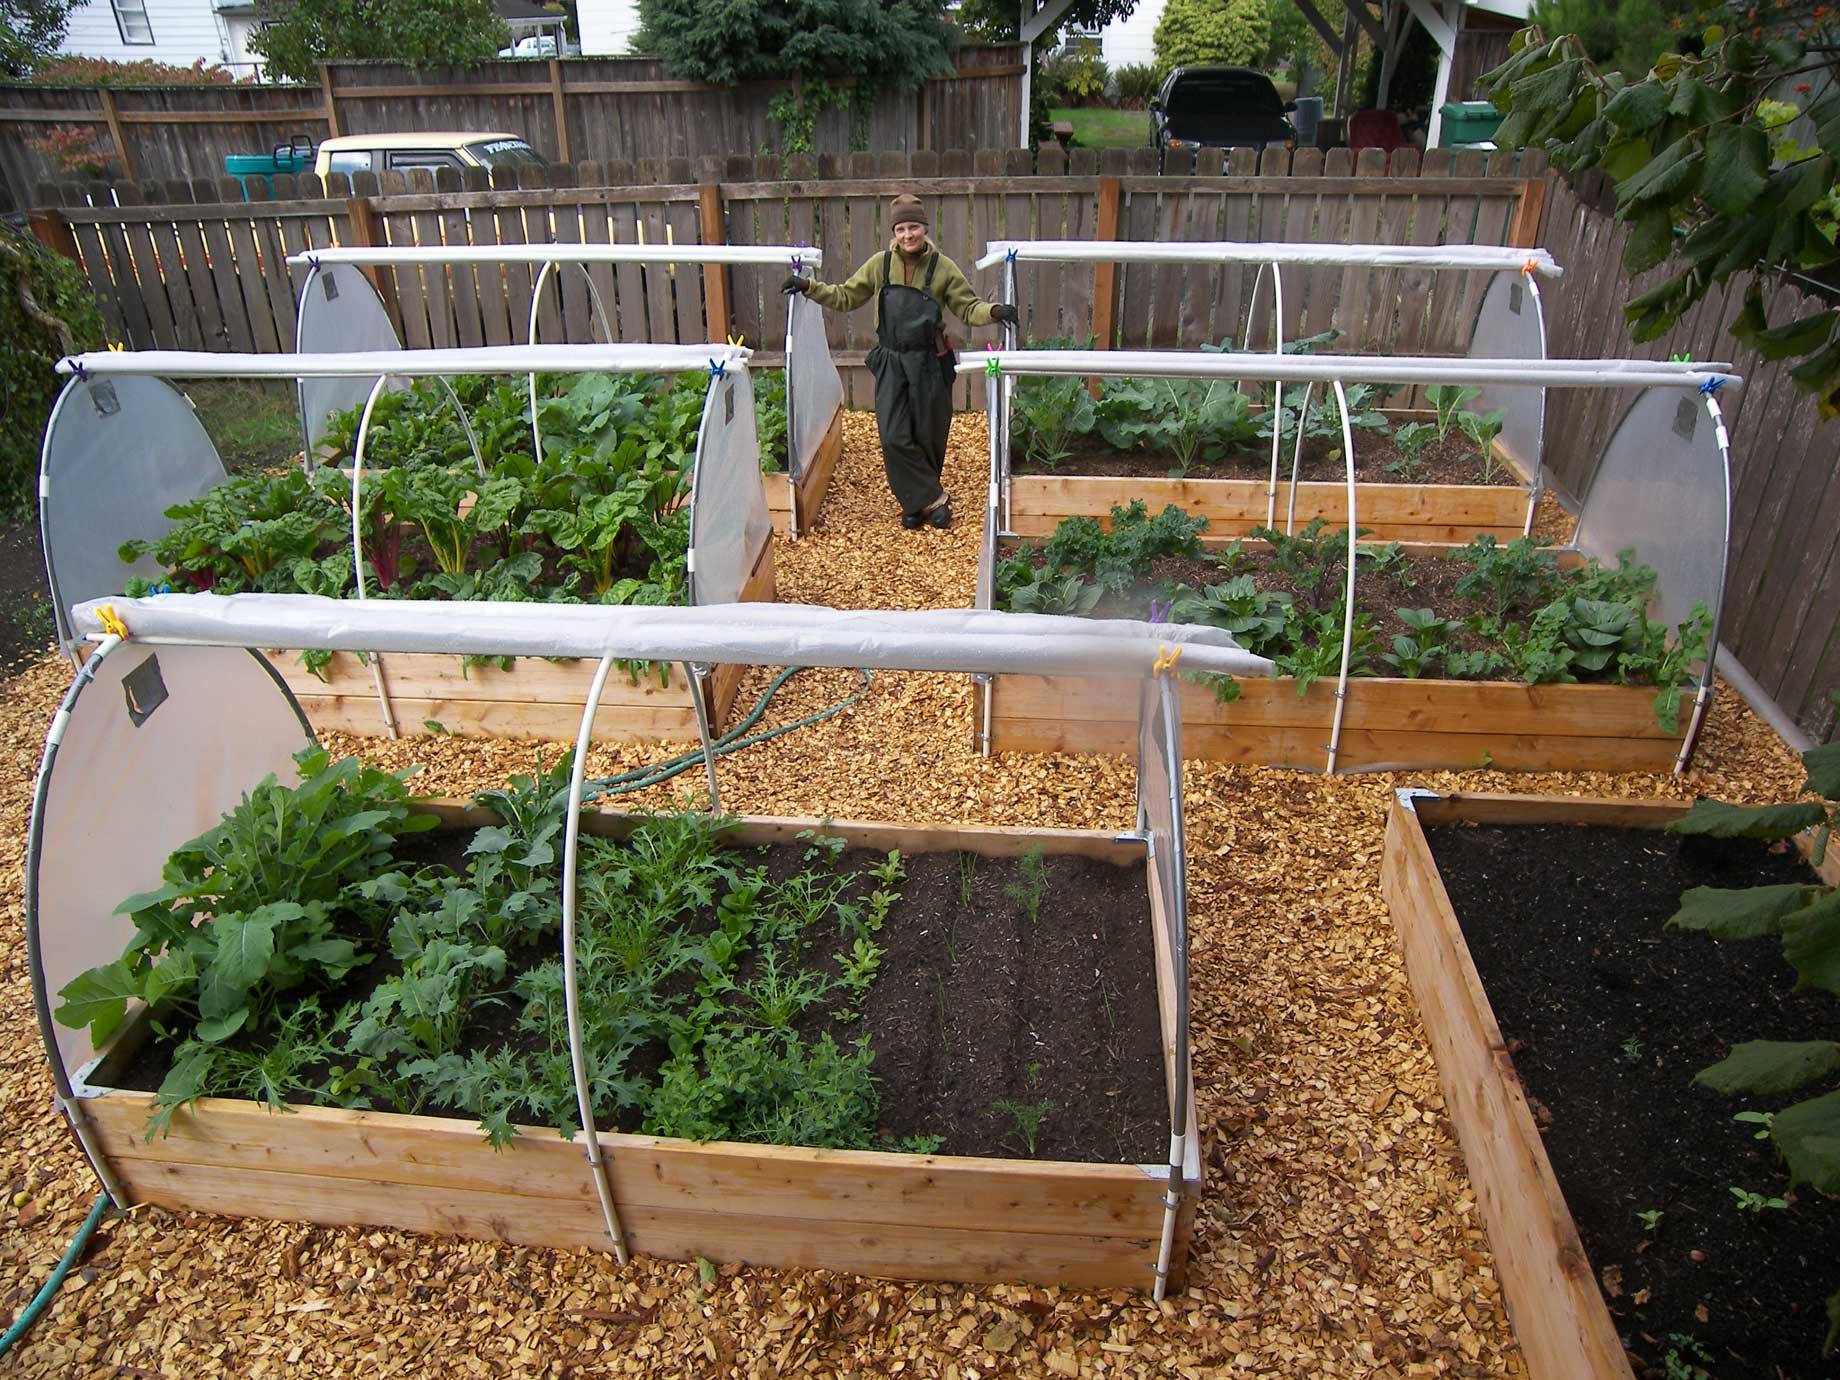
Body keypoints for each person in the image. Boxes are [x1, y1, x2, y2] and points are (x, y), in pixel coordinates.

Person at [784, 193, 1019, 530]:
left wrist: (995, 311)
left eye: (914, 227)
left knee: (929, 433)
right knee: (893, 435)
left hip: (929, 361)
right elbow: (846, 295)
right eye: (901, 229)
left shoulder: (943, 268)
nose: (908, 235)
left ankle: (915, 502)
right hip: (892, 360)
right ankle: (933, 498)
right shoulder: (880, 265)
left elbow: (968, 307)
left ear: (924, 228)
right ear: (893, 232)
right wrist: (808, 286)